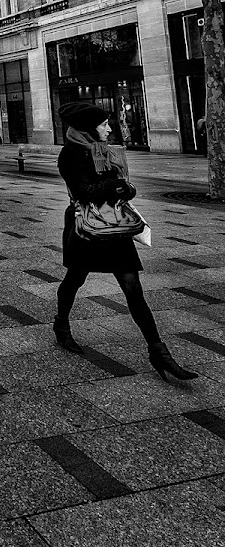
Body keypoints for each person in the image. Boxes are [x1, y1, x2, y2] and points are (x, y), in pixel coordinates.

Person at [54, 100, 197, 382]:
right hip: (89, 228)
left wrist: (125, 187)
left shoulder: (105, 151)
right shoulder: (70, 155)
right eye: (104, 124)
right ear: (88, 128)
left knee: (133, 288)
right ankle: (61, 325)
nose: (109, 128)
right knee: (74, 280)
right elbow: (85, 192)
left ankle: (158, 351)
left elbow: (123, 185)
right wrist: (115, 185)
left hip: (115, 227)